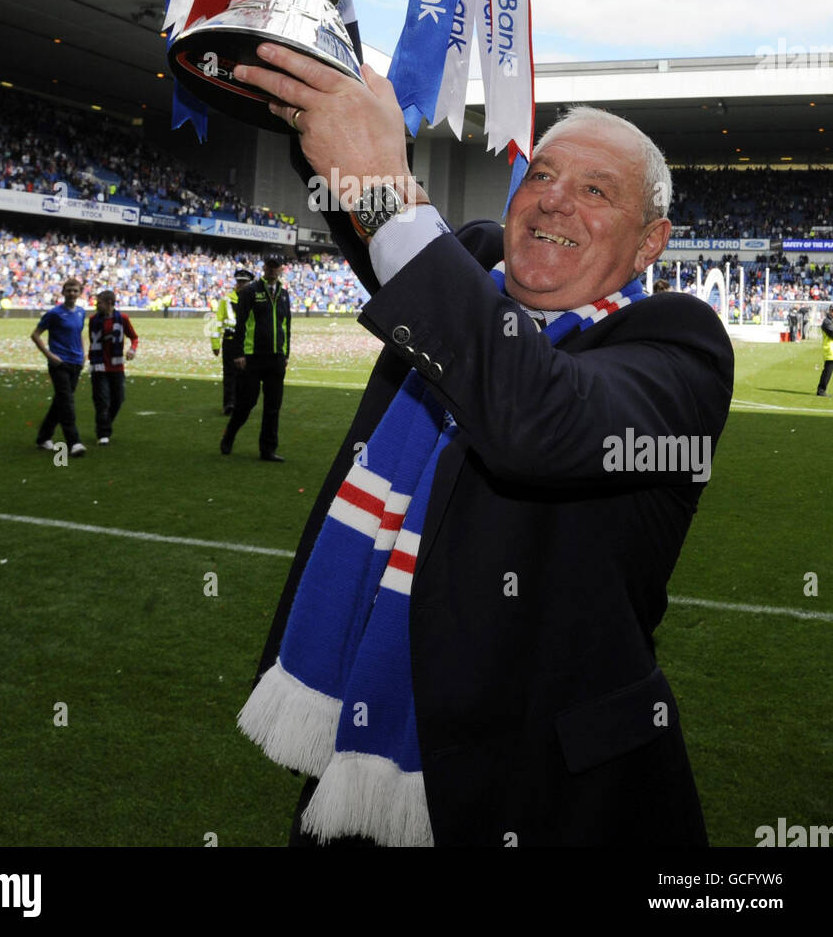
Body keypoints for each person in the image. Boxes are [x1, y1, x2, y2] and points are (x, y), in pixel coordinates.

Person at [233, 42, 734, 848]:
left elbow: (535, 422)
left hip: (545, 792)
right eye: (541, 175)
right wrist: (308, 45)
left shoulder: (676, 345)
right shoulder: (467, 267)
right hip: (358, 761)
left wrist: (385, 189)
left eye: (594, 190)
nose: (554, 200)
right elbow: (348, 169)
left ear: (649, 244)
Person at [221, 253, 290, 462]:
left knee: (273, 407)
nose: (272, 269)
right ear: (264, 268)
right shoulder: (250, 291)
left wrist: (285, 354)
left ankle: (268, 450)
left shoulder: (284, 294)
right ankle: (229, 434)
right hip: (252, 358)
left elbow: (286, 326)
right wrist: (239, 353)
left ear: (281, 269)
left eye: (276, 266)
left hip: (276, 358)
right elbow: (240, 324)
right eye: (269, 266)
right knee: (246, 403)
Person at [31, 277, 87, 457]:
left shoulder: (81, 312)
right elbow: (35, 335)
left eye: (75, 290)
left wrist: (83, 354)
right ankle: (74, 442)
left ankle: (43, 437)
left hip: (76, 362)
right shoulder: (54, 313)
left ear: (80, 293)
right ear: (63, 292)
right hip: (59, 363)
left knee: (60, 401)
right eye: (68, 290)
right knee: (67, 401)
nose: (72, 293)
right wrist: (49, 355)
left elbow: (78, 334)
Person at [89, 288, 138, 443]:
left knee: (118, 399)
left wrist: (132, 349)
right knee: (102, 401)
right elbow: (93, 342)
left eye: (99, 303)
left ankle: (104, 425)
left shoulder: (122, 319)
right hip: (99, 367)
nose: (96, 305)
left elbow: (134, 337)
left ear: (109, 303)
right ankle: (103, 434)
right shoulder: (93, 320)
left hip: (116, 366)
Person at [211, 267, 255, 414]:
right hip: (230, 341)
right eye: (239, 282)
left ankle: (242, 403)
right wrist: (215, 344)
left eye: (244, 282)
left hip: (247, 343)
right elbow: (217, 322)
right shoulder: (226, 300)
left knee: (245, 376)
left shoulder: (254, 300)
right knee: (229, 374)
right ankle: (229, 404)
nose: (241, 285)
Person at [816, 304, 833, 396]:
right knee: (827, 372)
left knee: (827, 371)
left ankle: (821, 390)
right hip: (830, 350)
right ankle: (821, 390)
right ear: (830, 311)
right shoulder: (827, 322)